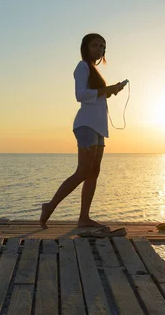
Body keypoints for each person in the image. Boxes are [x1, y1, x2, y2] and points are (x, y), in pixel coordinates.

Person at [40, 33, 127, 228]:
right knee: (82, 172)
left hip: (98, 126)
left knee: (93, 172)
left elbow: (95, 96)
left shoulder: (94, 70)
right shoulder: (82, 67)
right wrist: (106, 90)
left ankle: (83, 218)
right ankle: (50, 206)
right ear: (86, 47)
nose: (100, 49)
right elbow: (80, 95)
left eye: (103, 46)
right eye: (95, 45)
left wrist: (111, 91)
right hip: (86, 125)